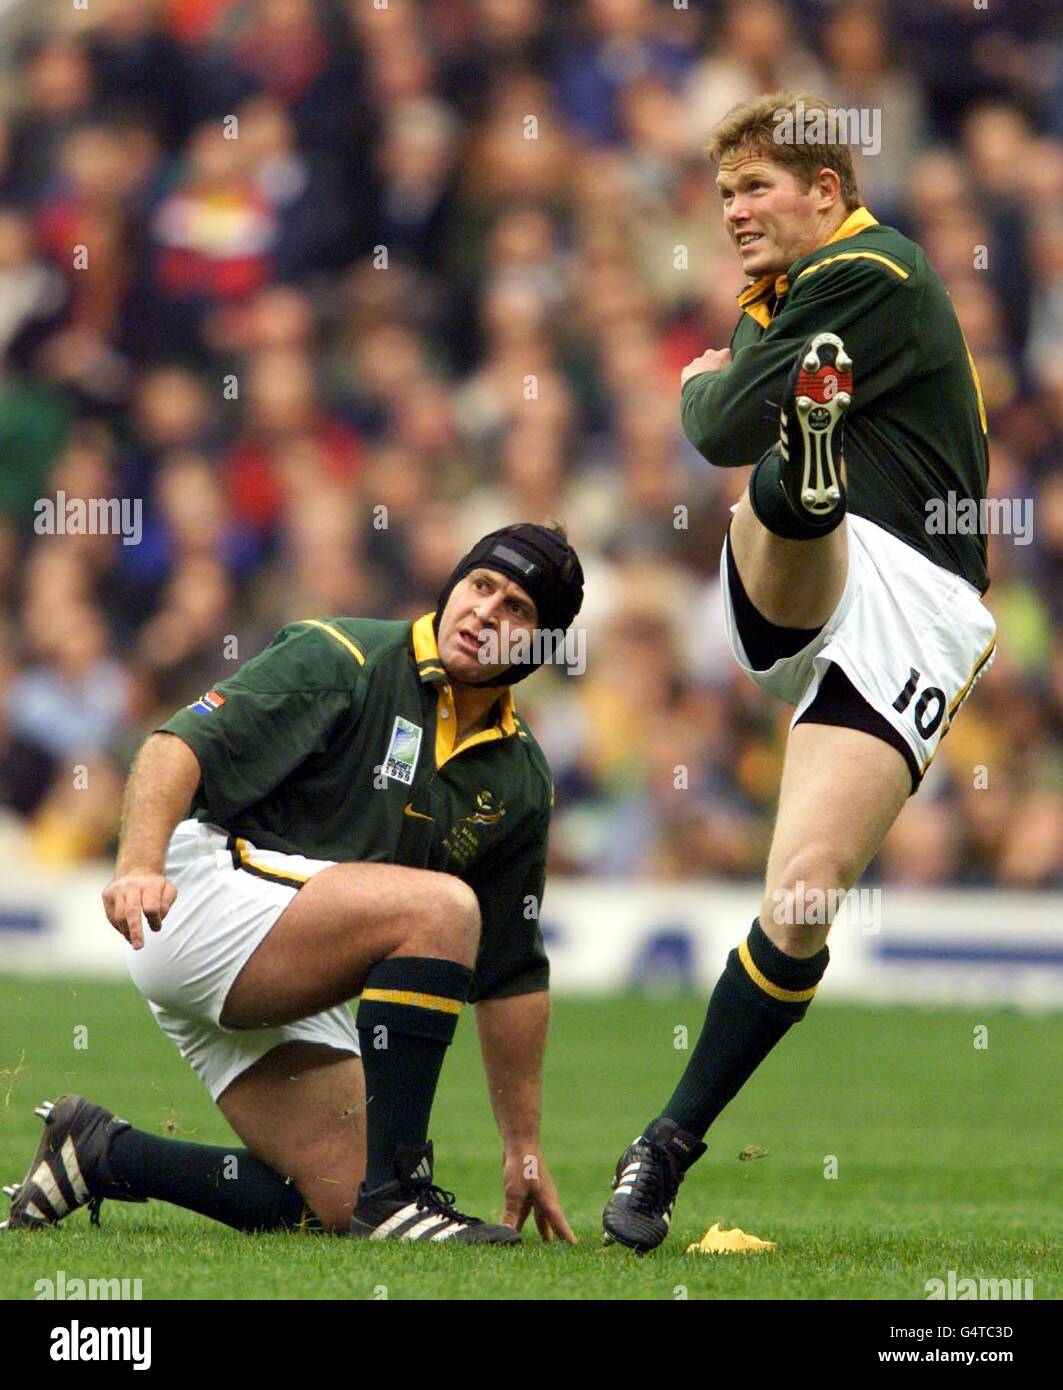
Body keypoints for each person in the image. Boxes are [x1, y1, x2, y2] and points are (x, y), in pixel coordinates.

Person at [602, 92, 997, 1252]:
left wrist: (696, 383)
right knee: (784, 484)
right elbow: (733, 420)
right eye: (723, 193)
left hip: (914, 601)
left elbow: (719, 416)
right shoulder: (792, 299)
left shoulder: (868, 270)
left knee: (805, 893)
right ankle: (807, 479)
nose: (733, 210)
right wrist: (730, 395)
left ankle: (663, 1147)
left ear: (826, 192)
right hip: (827, 567)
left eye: (757, 187)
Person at [4, 523, 583, 1246]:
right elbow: (175, 745)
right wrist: (137, 866)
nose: (486, 613)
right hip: (198, 902)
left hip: (291, 953)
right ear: (454, 583)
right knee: (440, 908)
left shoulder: (521, 777)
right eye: (481, 585)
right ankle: (399, 1196)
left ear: (541, 646)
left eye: (519, 610)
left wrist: (522, 1145)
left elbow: (509, 974)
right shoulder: (343, 654)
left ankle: (96, 1155)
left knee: (333, 1200)